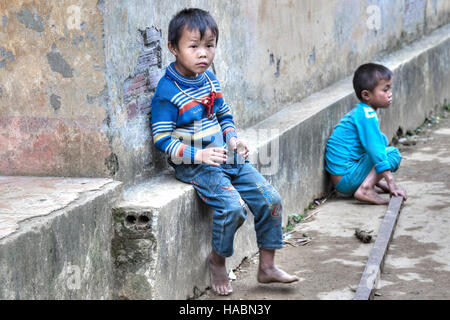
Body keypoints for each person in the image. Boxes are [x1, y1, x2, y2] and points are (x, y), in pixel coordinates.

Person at [151, 8, 298, 296]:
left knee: (271, 200)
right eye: (193, 46)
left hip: (224, 155)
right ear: (173, 48)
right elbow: (161, 139)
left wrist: (232, 139)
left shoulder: (209, 80)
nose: (203, 54)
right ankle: (218, 262)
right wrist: (199, 156)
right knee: (232, 208)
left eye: (209, 46)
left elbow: (224, 114)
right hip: (194, 164)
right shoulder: (166, 92)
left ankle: (267, 267)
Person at [325, 63, 407, 205]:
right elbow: (375, 150)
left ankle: (373, 184)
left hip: (344, 178)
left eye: (390, 88)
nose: (390, 93)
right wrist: (390, 181)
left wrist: (382, 183)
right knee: (392, 154)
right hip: (346, 177)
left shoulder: (363, 112)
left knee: (381, 139)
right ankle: (365, 188)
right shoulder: (366, 115)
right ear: (366, 95)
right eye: (385, 89)